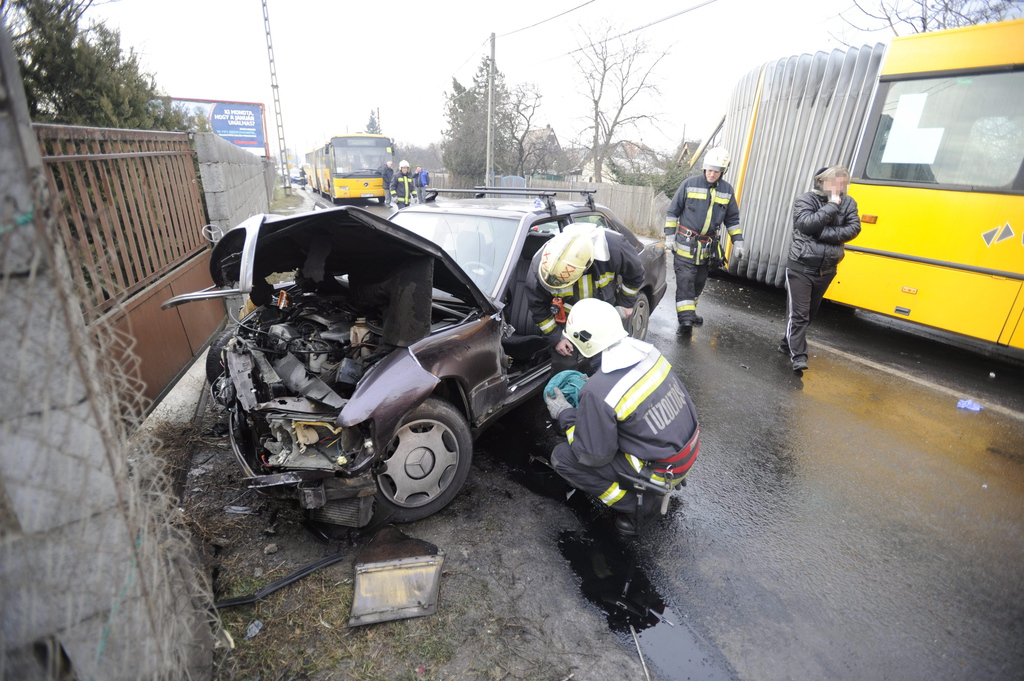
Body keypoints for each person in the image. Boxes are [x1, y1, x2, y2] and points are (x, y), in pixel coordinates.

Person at [543, 298, 700, 536]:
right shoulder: (649, 353)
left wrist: (565, 413)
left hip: (663, 471)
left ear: (582, 341)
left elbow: (592, 456)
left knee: (563, 457)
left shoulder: (598, 392)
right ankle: (657, 484)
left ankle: (641, 505)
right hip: (686, 452)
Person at [524, 224, 645, 372]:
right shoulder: (542, 265)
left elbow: (635, 276)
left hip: (604, 323)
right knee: (564, 370)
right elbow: (537, 307)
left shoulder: (613, 247)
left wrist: (625, 305)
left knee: (607, 367)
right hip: (567, 326)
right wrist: (556, 338)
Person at [780, 165, 861, 371]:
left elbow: (853, 229)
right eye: (835, 182)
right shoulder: (806, 200)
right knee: (799, 315)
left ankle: (786, 342)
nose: (839, 187)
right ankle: (798, 356)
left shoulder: (850, 203)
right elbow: (806, 225)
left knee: (810, 314)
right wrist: (832, 206)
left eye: (843, 183)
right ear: (822, 182)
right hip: (801, 266)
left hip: (827, 269)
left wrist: (822, 234)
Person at [665, 146, 745, 333]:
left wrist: (738, 242)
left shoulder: (727, 190)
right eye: (709, 170)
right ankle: (685, 320)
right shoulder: (689, 184)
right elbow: (672, 211)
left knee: (699, 282)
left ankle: (690, 312)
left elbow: (732, 220)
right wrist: (670, 236)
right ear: (704, 168)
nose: (711, 174)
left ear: (723, 171)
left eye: (716, 171)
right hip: (685, 244)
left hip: (707, 248)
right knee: (685, 280)